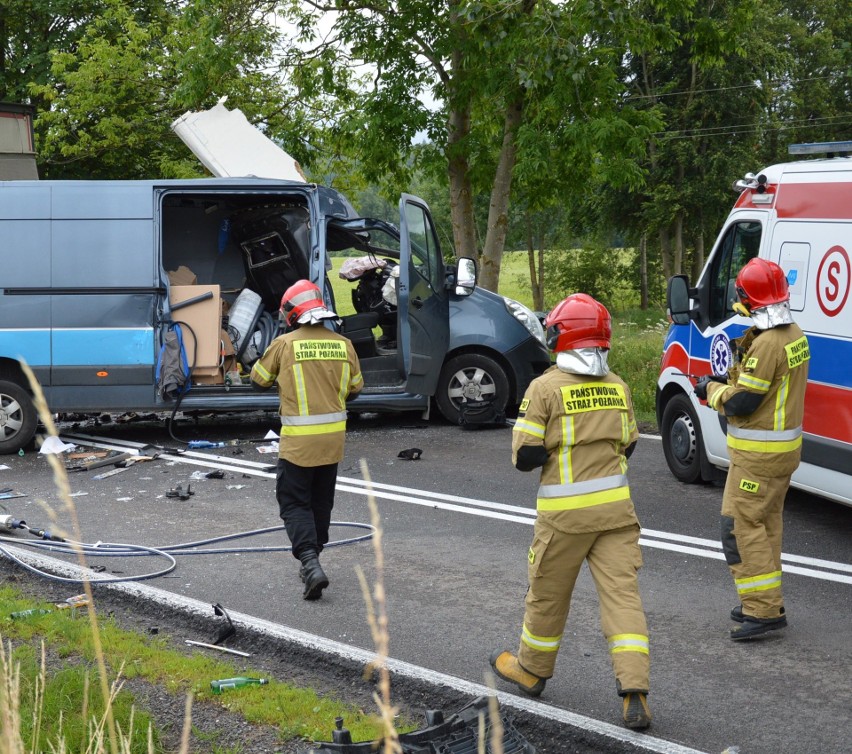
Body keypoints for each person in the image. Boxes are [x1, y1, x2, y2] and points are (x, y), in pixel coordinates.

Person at [489, 293, 651, 730]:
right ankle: (635, 690)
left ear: (562, 337)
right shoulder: (617, 386)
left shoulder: (545, 388)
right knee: (623, 600)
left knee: (546, 593)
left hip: (564, 519)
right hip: (617, 514)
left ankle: (532, 670)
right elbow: (630, 444)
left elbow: (524, 455)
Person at [694, 258, 809, 640]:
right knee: (766, 525)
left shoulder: (768, 345)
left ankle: (762, 611)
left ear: (749, 298)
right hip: (782, 454)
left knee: (739, 527)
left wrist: (709, 390)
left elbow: (743, 403)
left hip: (757, 458)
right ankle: (765, 600)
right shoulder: (794, 335)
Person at [250, 280, 363, 600]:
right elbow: (356, 388)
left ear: (291, 313)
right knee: (320, 503)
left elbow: (258, 381)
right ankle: (313, 559)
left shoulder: (285, 345)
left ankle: (310, 563)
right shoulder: (344, 345)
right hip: (332, 442)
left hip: (299, 444)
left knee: (294, 503)